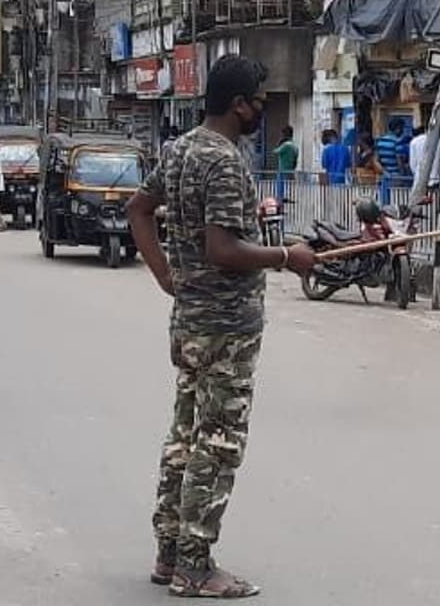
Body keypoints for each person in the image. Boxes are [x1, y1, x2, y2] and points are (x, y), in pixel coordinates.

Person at [127, 54, 317, 599]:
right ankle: (195, 566)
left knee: (185, 434)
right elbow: (223, 248)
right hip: (226, 327)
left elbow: (139, 210)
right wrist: (287, 256)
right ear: (239, 105)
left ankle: (169, 553)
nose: (262, 111)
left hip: (189, 321)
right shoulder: (225, 161)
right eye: (260, 102)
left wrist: (166, 274)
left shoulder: (180, 150)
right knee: (218, 442)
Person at [409, 123, 440, 192]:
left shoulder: (414, 142)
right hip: (436, 178)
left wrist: (416, 173)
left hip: (420, 178)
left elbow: (413, 164)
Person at [375, 119, 409, 184]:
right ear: (398, 129)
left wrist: (384, 172)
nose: (403, 131)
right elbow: (399, 161)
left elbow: (376, 161)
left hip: (383, 177)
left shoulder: (380, 141)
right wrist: (403, 176)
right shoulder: (398, 142)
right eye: (402, 128)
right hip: (395, 177)